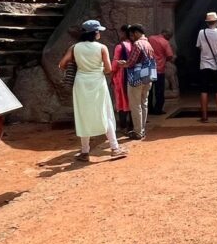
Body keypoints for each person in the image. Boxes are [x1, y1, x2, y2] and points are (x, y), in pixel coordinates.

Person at [58, 20, 126, 161]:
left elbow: (62, 64)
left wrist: (77, 66)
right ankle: (115, 148)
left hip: (81, 83)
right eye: (98, 31)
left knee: (83, 115)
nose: (100, 33)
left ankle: (85, 152)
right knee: (105, 113)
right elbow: (108, 69)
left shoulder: (74, 47)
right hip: (97, 81)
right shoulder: (102, 48)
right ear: (94, 33)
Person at [117, 23, 155, 140]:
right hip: (147, 77)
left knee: (135, 105)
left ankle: (138, 131)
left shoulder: (138, 44)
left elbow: (131, 62)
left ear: (136, 33)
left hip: (136, 78)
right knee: (144, 103)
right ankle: (142, 129)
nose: (131, 37)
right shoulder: (148, 43)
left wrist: (123, 64)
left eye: (131, 35)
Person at [110, 25, 133, 133]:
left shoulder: (120, 46)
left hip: (121, 75)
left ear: (124, 33)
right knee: (133, 100)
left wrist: (111, 73)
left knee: (121, 100)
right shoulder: (135, 44)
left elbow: (115, 64)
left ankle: (123, 124)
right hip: (133, 75)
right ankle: (132, 124)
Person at [147, 28, 175, 115]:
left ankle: (149, 109)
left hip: (149, 69)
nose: (169, 38)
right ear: (165, 34)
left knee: (149, 91)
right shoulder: (165, 43)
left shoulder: (150, 38)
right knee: (159, 91)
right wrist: (164, 58)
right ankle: (158, 109)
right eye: (169, 36)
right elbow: (170, 56)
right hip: (159, 69)